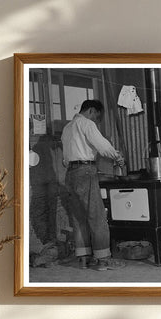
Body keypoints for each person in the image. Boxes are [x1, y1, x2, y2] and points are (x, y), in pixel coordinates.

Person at [61, 99, 125, 271]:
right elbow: (103, 146)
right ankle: (103, 260)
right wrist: (117, 157)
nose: (97, 120)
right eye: (97, 116)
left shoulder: (67, 128)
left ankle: (83, 259)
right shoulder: (86, 124)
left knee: (78, 217)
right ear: (90, 111)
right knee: (96, 217)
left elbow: (65, 158)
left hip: (70, 174)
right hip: (85, 171)